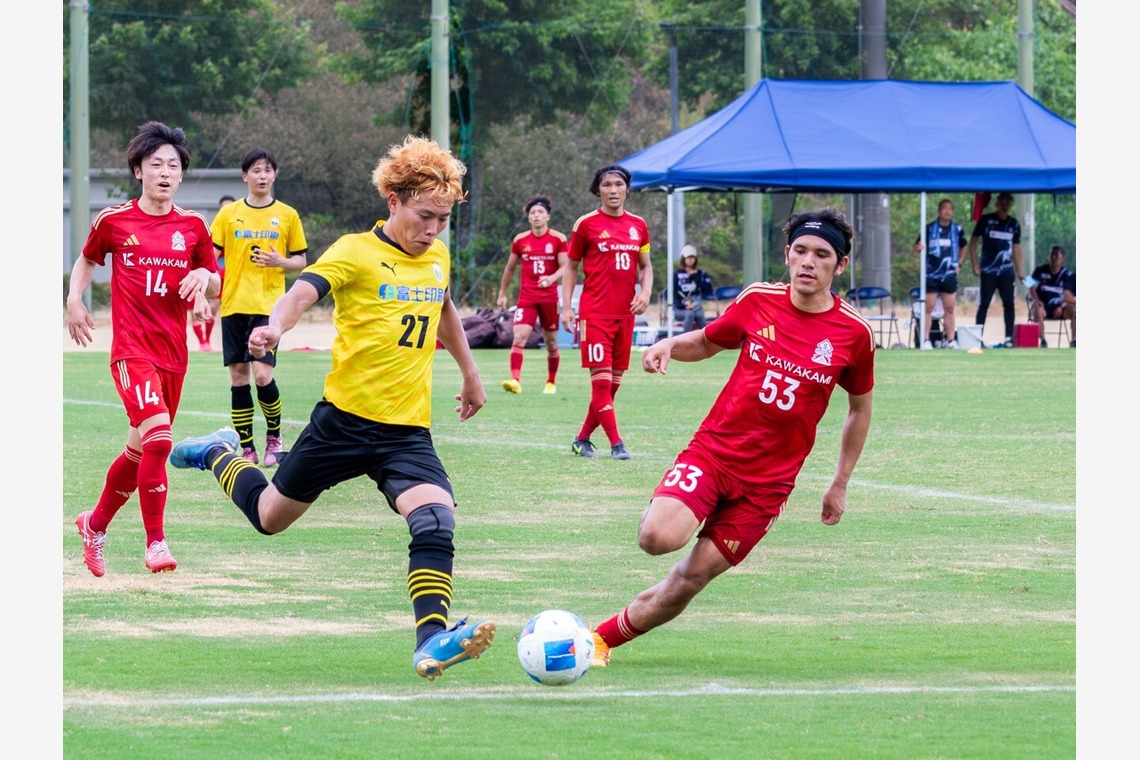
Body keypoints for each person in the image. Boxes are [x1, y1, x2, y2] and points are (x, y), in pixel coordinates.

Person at [168, 134, 495, 681]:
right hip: (341, 424)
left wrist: (470, 372)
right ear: (393, 202)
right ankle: (220, 453)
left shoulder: (434, 254)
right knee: (269, 518)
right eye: (424, 216)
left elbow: (443, 308)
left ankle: (432, 640)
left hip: (406, 431)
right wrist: (273, 326)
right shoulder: (354, 250)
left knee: (436, 520)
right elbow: (301, 293)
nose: (433, 230)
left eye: (443, 218)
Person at [588, 207, 875, 668]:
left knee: (689, 580)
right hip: (715, 454)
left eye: (822, 255)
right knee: (657, 538)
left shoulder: (854, 334)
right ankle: (678, 499)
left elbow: (859, 408)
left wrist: (839, 483)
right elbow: (707, 341)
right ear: (786, 254)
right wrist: (668, 346)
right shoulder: (758, 300)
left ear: (839, 266)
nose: (808, 262)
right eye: (800, 250)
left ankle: (597, 641)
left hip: (767, 487)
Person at [67, 120, 220, 577]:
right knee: (160, 439)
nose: (166, 172)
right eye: (156, 164)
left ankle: (93, 525)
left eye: (173, 165)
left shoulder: (193, 227)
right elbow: (87, 260)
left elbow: (215, 282)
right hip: (131, 351)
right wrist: (74, 300)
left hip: (174, 353)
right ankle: (156, 543)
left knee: (140, 453)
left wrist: (204, 280)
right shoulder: (114, 220)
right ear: (139, 170)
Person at [210, 148, 309, 466]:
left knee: (263, 375)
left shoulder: (289, 215)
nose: (262, 175)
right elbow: (210, 258)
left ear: (274, 175)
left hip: (270, 309)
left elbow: (301, 260)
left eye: (267, 170)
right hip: (234, 307)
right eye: (256, 170)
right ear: (245, 176)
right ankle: (247, 448)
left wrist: (280, 260)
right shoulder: (228, 215)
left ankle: (274, 439)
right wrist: (203, 291)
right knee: (239, 379)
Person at [560, 164, 653, 460]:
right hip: (595, 314)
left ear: (627, 189)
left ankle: (582, 439)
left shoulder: (639, 225)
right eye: (607, 185)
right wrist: (566, 307)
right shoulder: (586, 224)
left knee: (611, 387)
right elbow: (571, 267)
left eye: (618, 184)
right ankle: (617, 445)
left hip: (626, 316)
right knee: (600, 384)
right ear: (597, 190)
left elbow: (646, 266)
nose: (613, 190)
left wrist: (646, 293)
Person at [495, 195, 569, 395]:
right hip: (527, 299)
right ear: (528, 218)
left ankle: (551, 382)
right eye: (532, 213)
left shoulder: (558, 239)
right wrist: (502, 294)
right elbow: (509, 269)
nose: (536, 216)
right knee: (519, 337)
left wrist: (551, 278)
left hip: (549, 299)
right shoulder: (520, 240)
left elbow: (566, 267)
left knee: (551, 341)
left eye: (540, 212)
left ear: (548, 217)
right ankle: (515, 380)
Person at [966, 192, 1025, 348]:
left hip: (1006, 272)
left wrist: (1020, 271)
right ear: (997, 203)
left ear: (1010, 204)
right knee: (984, 304)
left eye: (1008, 202)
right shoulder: (986, 220)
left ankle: (1008, 338)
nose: (1005, 204)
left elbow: (1017, 248)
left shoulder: (1014, 224)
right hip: (989, 270)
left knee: (1009, 304)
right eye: (1002, 201)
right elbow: (972, 242)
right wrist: (974, 264)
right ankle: (977, 338)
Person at [913, 198, 968, 349]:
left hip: (949, 274)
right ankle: (925, 340)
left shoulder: (957, 229)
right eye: (944, 208)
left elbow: (964, 246)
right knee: (928, 307)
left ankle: (950, 340)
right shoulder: (929, 228)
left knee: (949, 308)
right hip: (931, 274)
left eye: (950, 208)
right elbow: (917, 246)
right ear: (939, 211)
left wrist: (959, 264)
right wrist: (918, 248)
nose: (947, 211)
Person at [187, 194, 235, 351]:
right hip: (206, 271)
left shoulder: (239, 230)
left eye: (230, 207)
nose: (227, 210)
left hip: (225, 274)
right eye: (224, 207)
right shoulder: (213, 229)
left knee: (214, 306)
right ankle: (202, 342)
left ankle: (206, 341)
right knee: (194, 308)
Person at [1028, 244, 1077, 348]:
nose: (1053, 257)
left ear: (1063, 258)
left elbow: (1069, 296)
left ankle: (1075, 340)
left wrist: (1061, 307)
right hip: (1043, 307)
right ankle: (1042, 341)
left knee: (1074, 309)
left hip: (1060, 309)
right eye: (1051, 255)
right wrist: (1036, 300)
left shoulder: (1068, 275)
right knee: (1037, 308)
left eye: (1056, 255)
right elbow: (1030, 287)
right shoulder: (1039, 270)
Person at [672, 244, 713, 333]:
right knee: (690, 314)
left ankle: (707, 340)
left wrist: (697, 278)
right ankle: (684, 340)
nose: (690, 260)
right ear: (683, 259)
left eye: (692, 258)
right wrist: (684, 305)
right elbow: (673, 293)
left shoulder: (701, 274)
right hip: (681, 307)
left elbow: (708, 290)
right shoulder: (677, 274)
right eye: (688, 258)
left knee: (700, 315)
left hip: (696, 305)